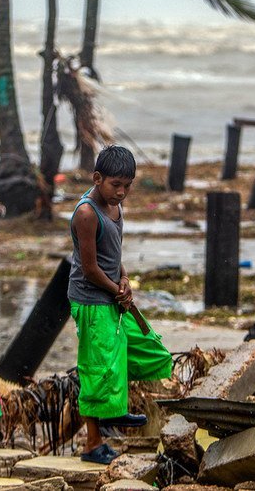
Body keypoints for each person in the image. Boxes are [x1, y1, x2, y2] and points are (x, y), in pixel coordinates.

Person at [68, 145, 172, 464]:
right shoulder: (87, 213)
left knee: (149, 350)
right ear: (98, 179)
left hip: (111, 293)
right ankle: (93, 444)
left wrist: (124, 279)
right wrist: (117, 289)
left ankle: (115, 411)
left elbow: (112, 256)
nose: (122, 192)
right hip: (91, 298)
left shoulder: (116, 206)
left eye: (127, 185)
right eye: (116, 185)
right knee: (97, 367)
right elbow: (89, 268)